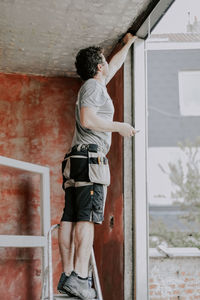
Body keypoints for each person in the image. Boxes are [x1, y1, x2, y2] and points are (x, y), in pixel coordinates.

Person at [57, 32, 138, 299]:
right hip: (90, 159)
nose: (108, 64)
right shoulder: (93, 87)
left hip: (77, 159)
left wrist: (129, 43)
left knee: (70, 216)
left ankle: (68, 274)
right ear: (98, 67)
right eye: (104, 61)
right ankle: (80, 277)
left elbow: (114, 66)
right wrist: (120, 127)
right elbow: (89, 119)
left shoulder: (95, 86)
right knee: (86, 218)